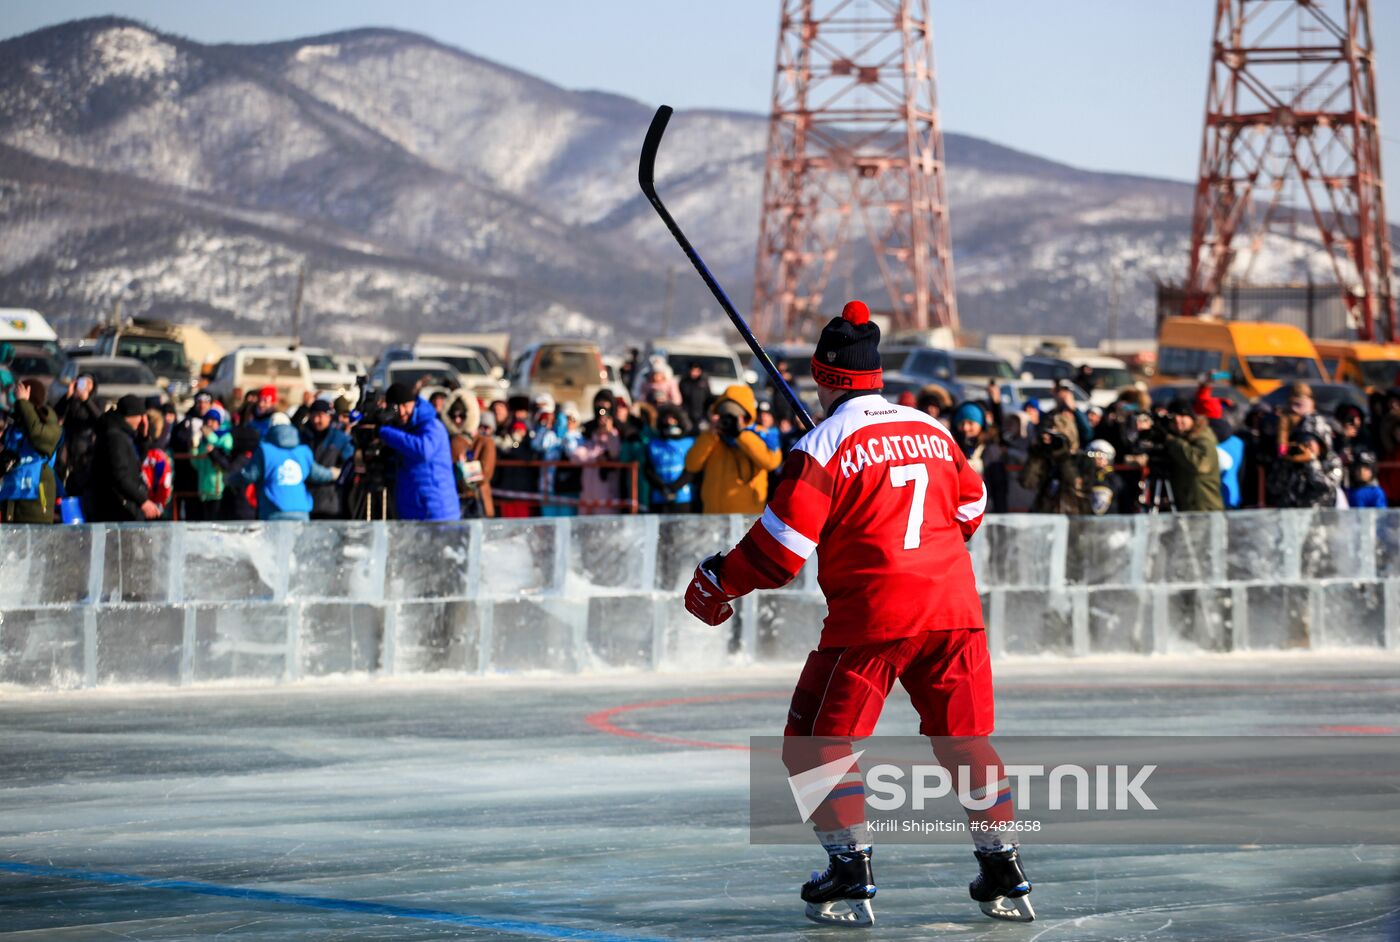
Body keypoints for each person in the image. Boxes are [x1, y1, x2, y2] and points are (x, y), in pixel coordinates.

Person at [682, 300, 1032, 927]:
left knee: (814, 745)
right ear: (875, 376)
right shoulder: (933, 428)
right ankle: (1002, 865)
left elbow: (779, 553)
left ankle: (850, 869)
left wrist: (716, 579)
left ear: (822, 376)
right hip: (954, 612)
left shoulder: (822, 446)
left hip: (874, 617)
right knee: (965, 741)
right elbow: (971, 510)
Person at [682, 383, 781, 514]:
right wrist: (711, 435)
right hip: (714, 515)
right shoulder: (712, 436)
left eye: (734, 416)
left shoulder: (759, 434)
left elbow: (771, 462)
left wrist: (740, 435)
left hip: (747, 517)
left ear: (745, 415)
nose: (728, 421)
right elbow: (691, 465)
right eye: (725, 415)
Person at [377, 383, 460, 522]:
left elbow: (423, 451)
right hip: (412, 510)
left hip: (437, 511)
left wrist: (384, 432)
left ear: (414, 403)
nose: (402, 412)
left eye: (406, 405)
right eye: (397, 408)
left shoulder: (432, 425)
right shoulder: (402, 429)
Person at [239, 413, 337, 521]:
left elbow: (249, 475)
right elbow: (317, 473)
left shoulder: (264, 450)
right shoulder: (303, 450)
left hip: (273, 510)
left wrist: (230, 478)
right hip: (301, 511)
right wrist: (333, 473)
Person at [84, 394, 162, 522]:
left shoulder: (122, 433)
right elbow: (120, 475)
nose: (143, 420)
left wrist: (143, 438)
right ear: (132, 415)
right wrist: (143, 502)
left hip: (120, 505)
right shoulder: (115, 436)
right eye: (141, 416)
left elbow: (135, 464)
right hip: (117, 508)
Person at [0, 378, 61, 523]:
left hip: (35, 498)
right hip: (11, 498)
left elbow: (38, 436)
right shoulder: (15, 426)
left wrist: (23, 404)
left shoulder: (48, 422)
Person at [1161, 399, 1223, 512]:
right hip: (1188, 507)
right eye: (1173, 417)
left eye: (1182, 415)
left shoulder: (1203, 438)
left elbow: (1199, 464)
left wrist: (1172, 442)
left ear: (1192, 418)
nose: (1177, 420)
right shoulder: (1180, 439)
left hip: (1205, 509)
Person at [301, 399, 355, 519]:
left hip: (332, 502)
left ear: (329, 416)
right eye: (313, 415)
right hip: (306, 501)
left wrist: (339, 476)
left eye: (320, 416)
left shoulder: (340, 438)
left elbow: (349, 466)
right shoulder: (302, 437)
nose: (316, 420)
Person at [644, 404, 695, 512]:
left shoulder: (688, 443)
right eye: (666, 418)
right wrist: (663, 488)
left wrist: (674, 487)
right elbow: (648, 470)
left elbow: (691, 470)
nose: (669, 422)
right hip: (659, 498)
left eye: (673, 418)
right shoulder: (653, 444)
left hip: (682, 497)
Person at [1085, 439, 1123, 515]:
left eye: (1101, 455)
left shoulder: (1115, 480)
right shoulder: (1084, 478)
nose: (1096, 459)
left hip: (1112, 522)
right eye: (1093, 455)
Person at [678, 361, 709, 430]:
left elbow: (708, 395)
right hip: (687, 412)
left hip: (701, 413)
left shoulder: (703, 381)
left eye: (697, 371)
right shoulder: (684, 381)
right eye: (693, 370)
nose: (694, 373)